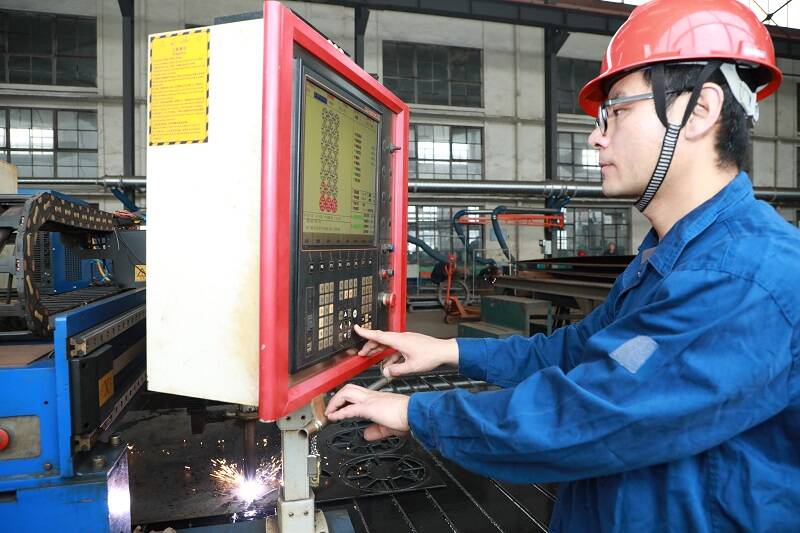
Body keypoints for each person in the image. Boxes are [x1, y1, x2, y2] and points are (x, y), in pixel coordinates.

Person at [326, 0, 800, 530]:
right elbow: (579, 353)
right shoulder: (668, 259)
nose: (596, 136)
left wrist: (417, 413)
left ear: (699, 111)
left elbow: (594, 416)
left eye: (617, 111)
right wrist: (447, 350)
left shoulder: (743, 277)